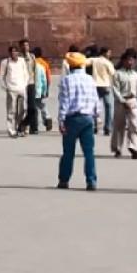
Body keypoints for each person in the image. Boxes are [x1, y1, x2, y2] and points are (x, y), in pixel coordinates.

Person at [57, 52, 100, 191]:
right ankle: (91, 181)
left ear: (70, 65)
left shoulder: (67, 80)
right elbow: (95, 101)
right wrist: (97, 118)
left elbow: (64, 102)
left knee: (68, 152)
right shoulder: (90, 80)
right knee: (89, 153)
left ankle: (64, 180)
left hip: (72, 119)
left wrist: (61, 120)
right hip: (87, 118)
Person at [111, 49, 137, 159]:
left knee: (134, 125)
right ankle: (118, 148)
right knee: (119, 126)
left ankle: (134, 147)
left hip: (132, 101)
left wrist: (135, 100)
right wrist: (123, 101)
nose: (130, 62)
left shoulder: (135, 74)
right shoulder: (117, 74)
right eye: (128, 60)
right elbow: (115, 89)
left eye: (132, 60)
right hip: (121, 102)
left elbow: (136, 88)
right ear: (123, 61)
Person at [0, 44, 30, 138]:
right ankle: (11, 130)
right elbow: (1, 77)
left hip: (21, 88)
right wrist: (6, 88)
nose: (14, 53)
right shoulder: (5, 62)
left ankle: (19, 128)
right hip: (11, 89)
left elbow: (26, 73)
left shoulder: (21, 61)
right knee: (11, 110)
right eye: (12, 51)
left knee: (22, 110)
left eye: (16, 51)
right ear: (9, 53)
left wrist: (25, 84)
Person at [88, 47, 115, 135]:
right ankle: (107, 127)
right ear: (104, 53)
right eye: (109, 52)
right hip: (105, 85)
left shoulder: (94, 60)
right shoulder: (108, 63)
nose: (110, 54)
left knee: (94, 107)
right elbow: (113, 74)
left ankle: (94, 126)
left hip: (95, 85)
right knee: (108, 106)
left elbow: (84, 62)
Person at [33, 47, 53, 132]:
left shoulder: (32, 63)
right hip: (41, 87)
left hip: (33, 87)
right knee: (41, 104)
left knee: (35, 105)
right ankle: (47, 118)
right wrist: (47, 89)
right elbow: (47, 78)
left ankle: (35, 123)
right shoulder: (44, 63)